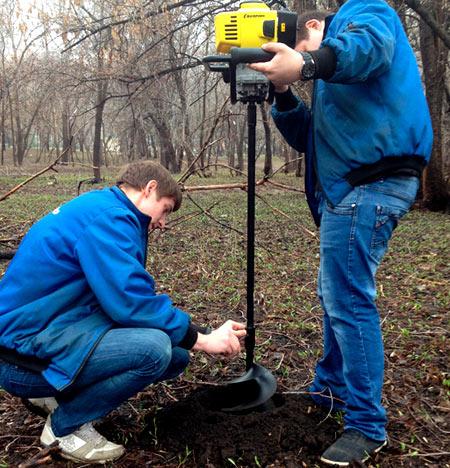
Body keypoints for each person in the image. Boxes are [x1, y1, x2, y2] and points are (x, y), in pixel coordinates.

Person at [250, 0, 432, 465]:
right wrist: (285, 94)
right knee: (337, 295)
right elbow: (311, 137)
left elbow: (366, 48)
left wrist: (308, 63)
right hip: (350, 188)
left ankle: (367, 426)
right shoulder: (336, 87)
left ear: (314, 26)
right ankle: (329, 389)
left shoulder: (364, 13)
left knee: (348, 298)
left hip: (372, 181)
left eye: (301, 48)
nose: (303, 61)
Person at [0, 161, 246, 463]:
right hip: (22, 356)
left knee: (175, 354)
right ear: (149, 189)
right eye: (166, 209)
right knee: (154, 351)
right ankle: (64, 427)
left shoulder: (103, 209)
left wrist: (199, 333)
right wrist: (204, 340)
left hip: (45, 333)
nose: (163, 222)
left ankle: (57, 398)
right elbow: (130, 302)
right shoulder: (110, 220)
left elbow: (117, 299)